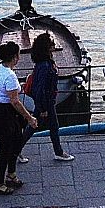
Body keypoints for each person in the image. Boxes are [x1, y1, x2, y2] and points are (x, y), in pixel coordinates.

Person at [0, 42, 37, 194]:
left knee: (16, 140)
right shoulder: (9, 75)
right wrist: (29, 118)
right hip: (5, 113)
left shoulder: (1, 67)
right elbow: (15, 101)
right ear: (14, 57)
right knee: (5, 148)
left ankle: (11, 174)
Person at [24, 32, 74, 162]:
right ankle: (58, 152)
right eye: (51, 44)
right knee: (38, 126)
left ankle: (58, 151)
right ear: (46, 48)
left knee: (42, 126)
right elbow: (39, 89)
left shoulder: (44, 63)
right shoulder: (45, 66)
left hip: (47, 101)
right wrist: (42, 108)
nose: (54, 46)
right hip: (46, 103)